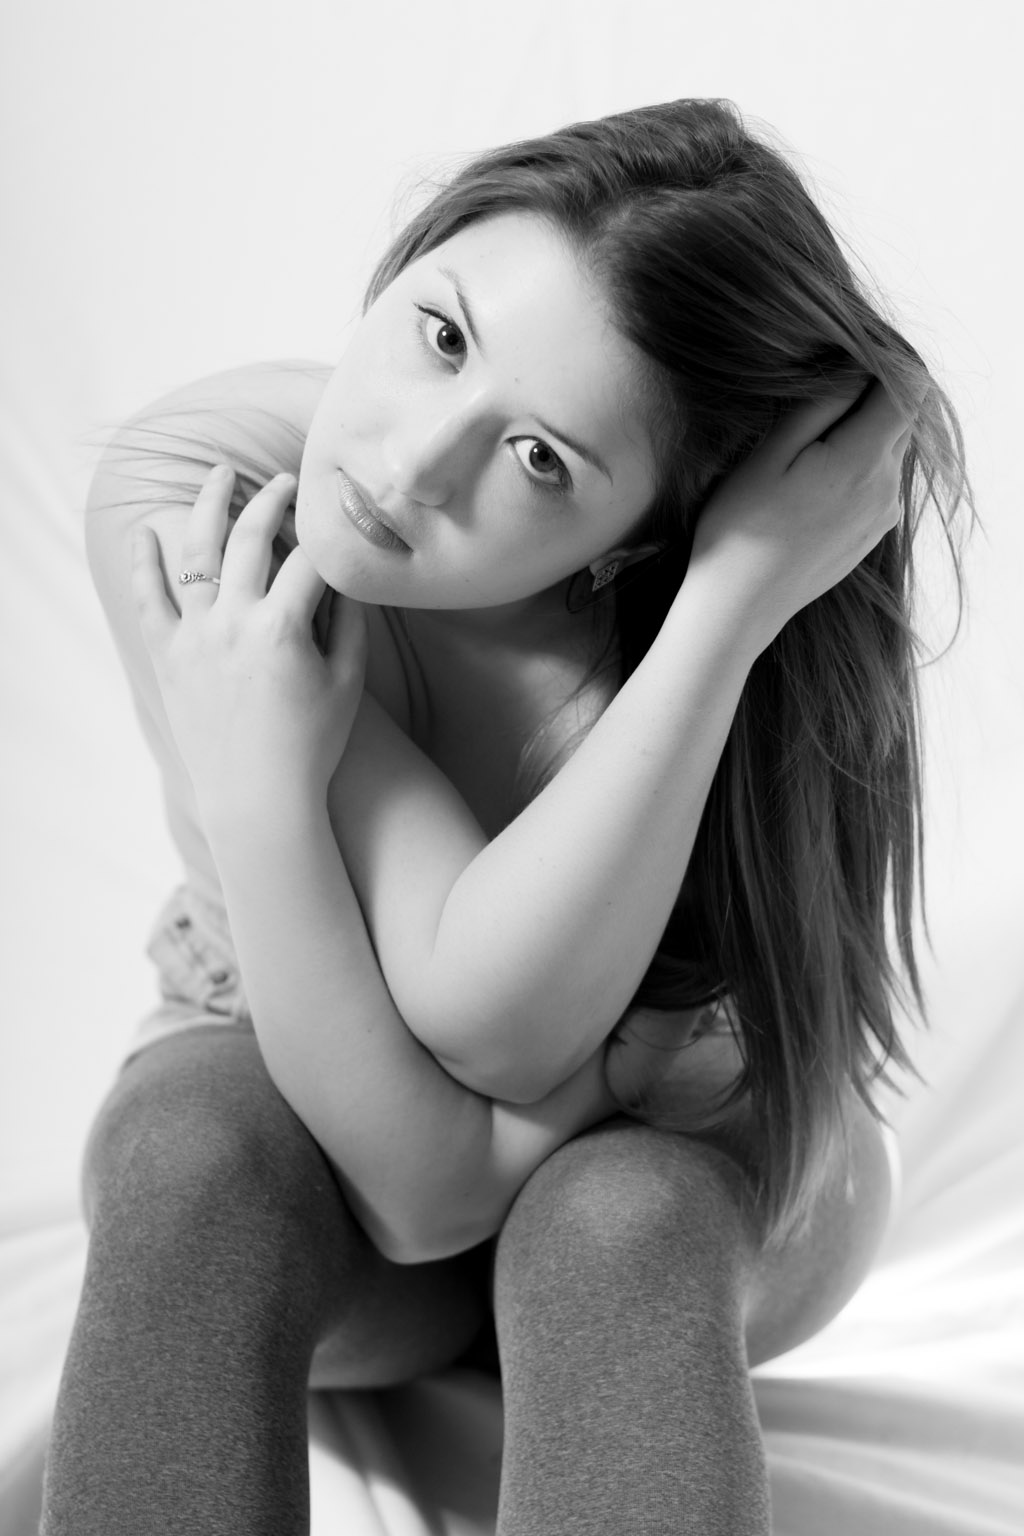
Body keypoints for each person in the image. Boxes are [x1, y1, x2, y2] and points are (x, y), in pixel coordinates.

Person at [40, 97, 972, 1535]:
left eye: (543, 461)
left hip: (676, 1155)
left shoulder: (705, 658)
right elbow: (421, 1192)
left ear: (641, 539)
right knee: (190, 1164)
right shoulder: (195, 488)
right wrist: (256, 794)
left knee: (615, 1227)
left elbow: (479, 1049)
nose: (412, 467)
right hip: (323, 1163)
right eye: (441, 335)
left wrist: (730, 608)